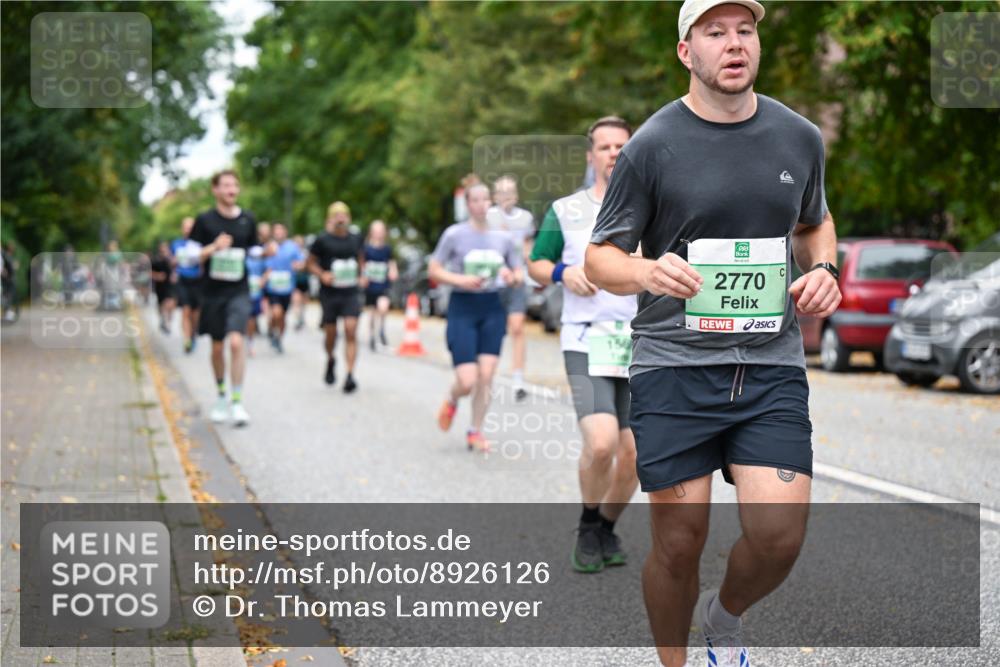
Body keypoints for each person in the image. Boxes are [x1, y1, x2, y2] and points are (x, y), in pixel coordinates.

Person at [584, 2, 841, 665]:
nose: (734, 44)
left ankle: (722, 616)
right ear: (686, 52)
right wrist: (647, 269)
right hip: (674, 365)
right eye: (715, 32)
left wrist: (825, 268)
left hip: (769, 363)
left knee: (780, 534)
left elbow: (814, 221)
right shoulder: (651, 146)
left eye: (746, 31)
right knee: (679, 541)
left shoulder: (798, 137)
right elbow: (599, 258)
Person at [528, 116, 639, 574]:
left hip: (641, 344)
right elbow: (535, 264)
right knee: (601, 444)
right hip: (586, 339)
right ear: (591, 155)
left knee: (637, 456)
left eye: (622, 147)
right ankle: (588, 523)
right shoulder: (567, 210)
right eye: (605, 146)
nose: (614, 153)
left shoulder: (650, 208)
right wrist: (561, 273)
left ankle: (604, 527)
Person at [430, 182, 523, 452]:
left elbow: (518, 274)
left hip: (492, 306)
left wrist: (510, 276)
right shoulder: (454, 235)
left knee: (487, 374)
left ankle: (475, 430)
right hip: (463, 307)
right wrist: (461, 279)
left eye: (486, 200)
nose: (481, 204)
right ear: (468, 204)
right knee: (468, 380)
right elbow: (434, 269)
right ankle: (452, 397)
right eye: (476, 200)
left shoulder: (503, 238)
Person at [190, 169, 262, 427]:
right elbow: (190, 256)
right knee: (218, 347)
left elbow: (254, 249)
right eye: (226, 185)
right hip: (212, 292)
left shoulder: (247, 219)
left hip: (239, 291)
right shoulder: (205, 221)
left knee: (235, 342)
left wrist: (265, 253)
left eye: (235, 185)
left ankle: (237, 401)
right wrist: (213, 247)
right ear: (216, 190)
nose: (232, 189)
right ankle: (221, 395)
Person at [307, 201, 364, 393]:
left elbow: (361, 258)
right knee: (331, 334)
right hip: (330, 293)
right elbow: (310, 263)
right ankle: (331, 358)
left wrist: (362, 275)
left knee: (350, 330)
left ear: (348, 218)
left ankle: (350, 375)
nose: (341, 218)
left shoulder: (355, 238)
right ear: (330, 218)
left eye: (344, 215)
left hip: (350, 292)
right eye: (336, 215)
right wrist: (322, 274)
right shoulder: (322, 240)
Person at [487, 176, 534, 401]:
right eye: (502, 194)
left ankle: (518, 380)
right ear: (495, 197)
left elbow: (527, 246)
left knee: (517, 327)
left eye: (510, 193)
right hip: (492, 283)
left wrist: (528, 266)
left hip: (516, 281)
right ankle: (487, 374)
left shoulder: (526, 218)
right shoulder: (487, 217)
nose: (507, 198)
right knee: (493, 330)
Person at [264, 222, 305, 353]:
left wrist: (298, 265)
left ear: (285, 232)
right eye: (276, 231)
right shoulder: (269, 247)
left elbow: (302, 262)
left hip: (287, 287)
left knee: (283, 316)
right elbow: (264, 265)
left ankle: (279, 337)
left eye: (281, 231)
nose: (278, 233)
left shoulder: (292, 247)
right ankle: (271, 329)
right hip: (273, 287)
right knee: (276, 312)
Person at [362, 220, 398, 350]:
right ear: (371, 232)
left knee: (383, 307)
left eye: (381, 231)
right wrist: (363, 276)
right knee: (372, 311)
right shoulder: (366, 248)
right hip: (371, 284)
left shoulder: (387, 248)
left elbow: (391, 262)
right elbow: (362, 263)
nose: (379, 234)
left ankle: (381, 329)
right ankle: (372, 335)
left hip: (383, 284)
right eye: (376, 231)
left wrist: (393, 271)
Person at [171, 217, 203, 353]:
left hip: (197, 281)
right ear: (182, 229)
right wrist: (173, 264)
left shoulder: (199, 244)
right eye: (186, 226)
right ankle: (187, 339)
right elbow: (172, 262)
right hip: (182, 280)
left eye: (191, 227)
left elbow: (204, 261)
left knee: (196, 314)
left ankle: (193, 333)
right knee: (185, 310)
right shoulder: (176, 244)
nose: (188, 229)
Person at [245, 222, 271, 359]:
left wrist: (263, 279)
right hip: (240, 287)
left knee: (251, 317)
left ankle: (249, 342)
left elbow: (268, 268)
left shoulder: (263, 251)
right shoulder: (242, 246)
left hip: (255, 288)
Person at [150, 241, 176, 334]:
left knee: (170, 303)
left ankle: (168, 322)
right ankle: (162, 320)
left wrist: (174, 275)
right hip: (159, 286)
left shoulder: (171, 260)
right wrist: (157, 276)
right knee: (161, 304)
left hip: (170, 285)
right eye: (163, 249)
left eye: (166, 249)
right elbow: (150, 272)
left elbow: (176, 269)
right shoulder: (155, 261)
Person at [291, 234, 310, 331]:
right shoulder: (291, 253)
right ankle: (298, 320)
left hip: (305, 280)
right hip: (295, 280)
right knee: (296, 301)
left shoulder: (305, 253)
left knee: (304, 302)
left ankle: (302, 318)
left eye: (300, 242)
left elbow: (308, 265)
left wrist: (302, 266)